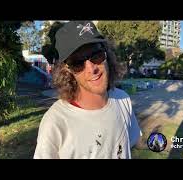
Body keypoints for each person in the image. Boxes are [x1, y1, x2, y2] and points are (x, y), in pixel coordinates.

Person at [34, 21, 142, 159]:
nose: (92, 69)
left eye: (96, 55)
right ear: (67, 70)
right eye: (77, 62)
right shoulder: (55, 122)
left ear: (106, 55)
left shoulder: (123, 100)